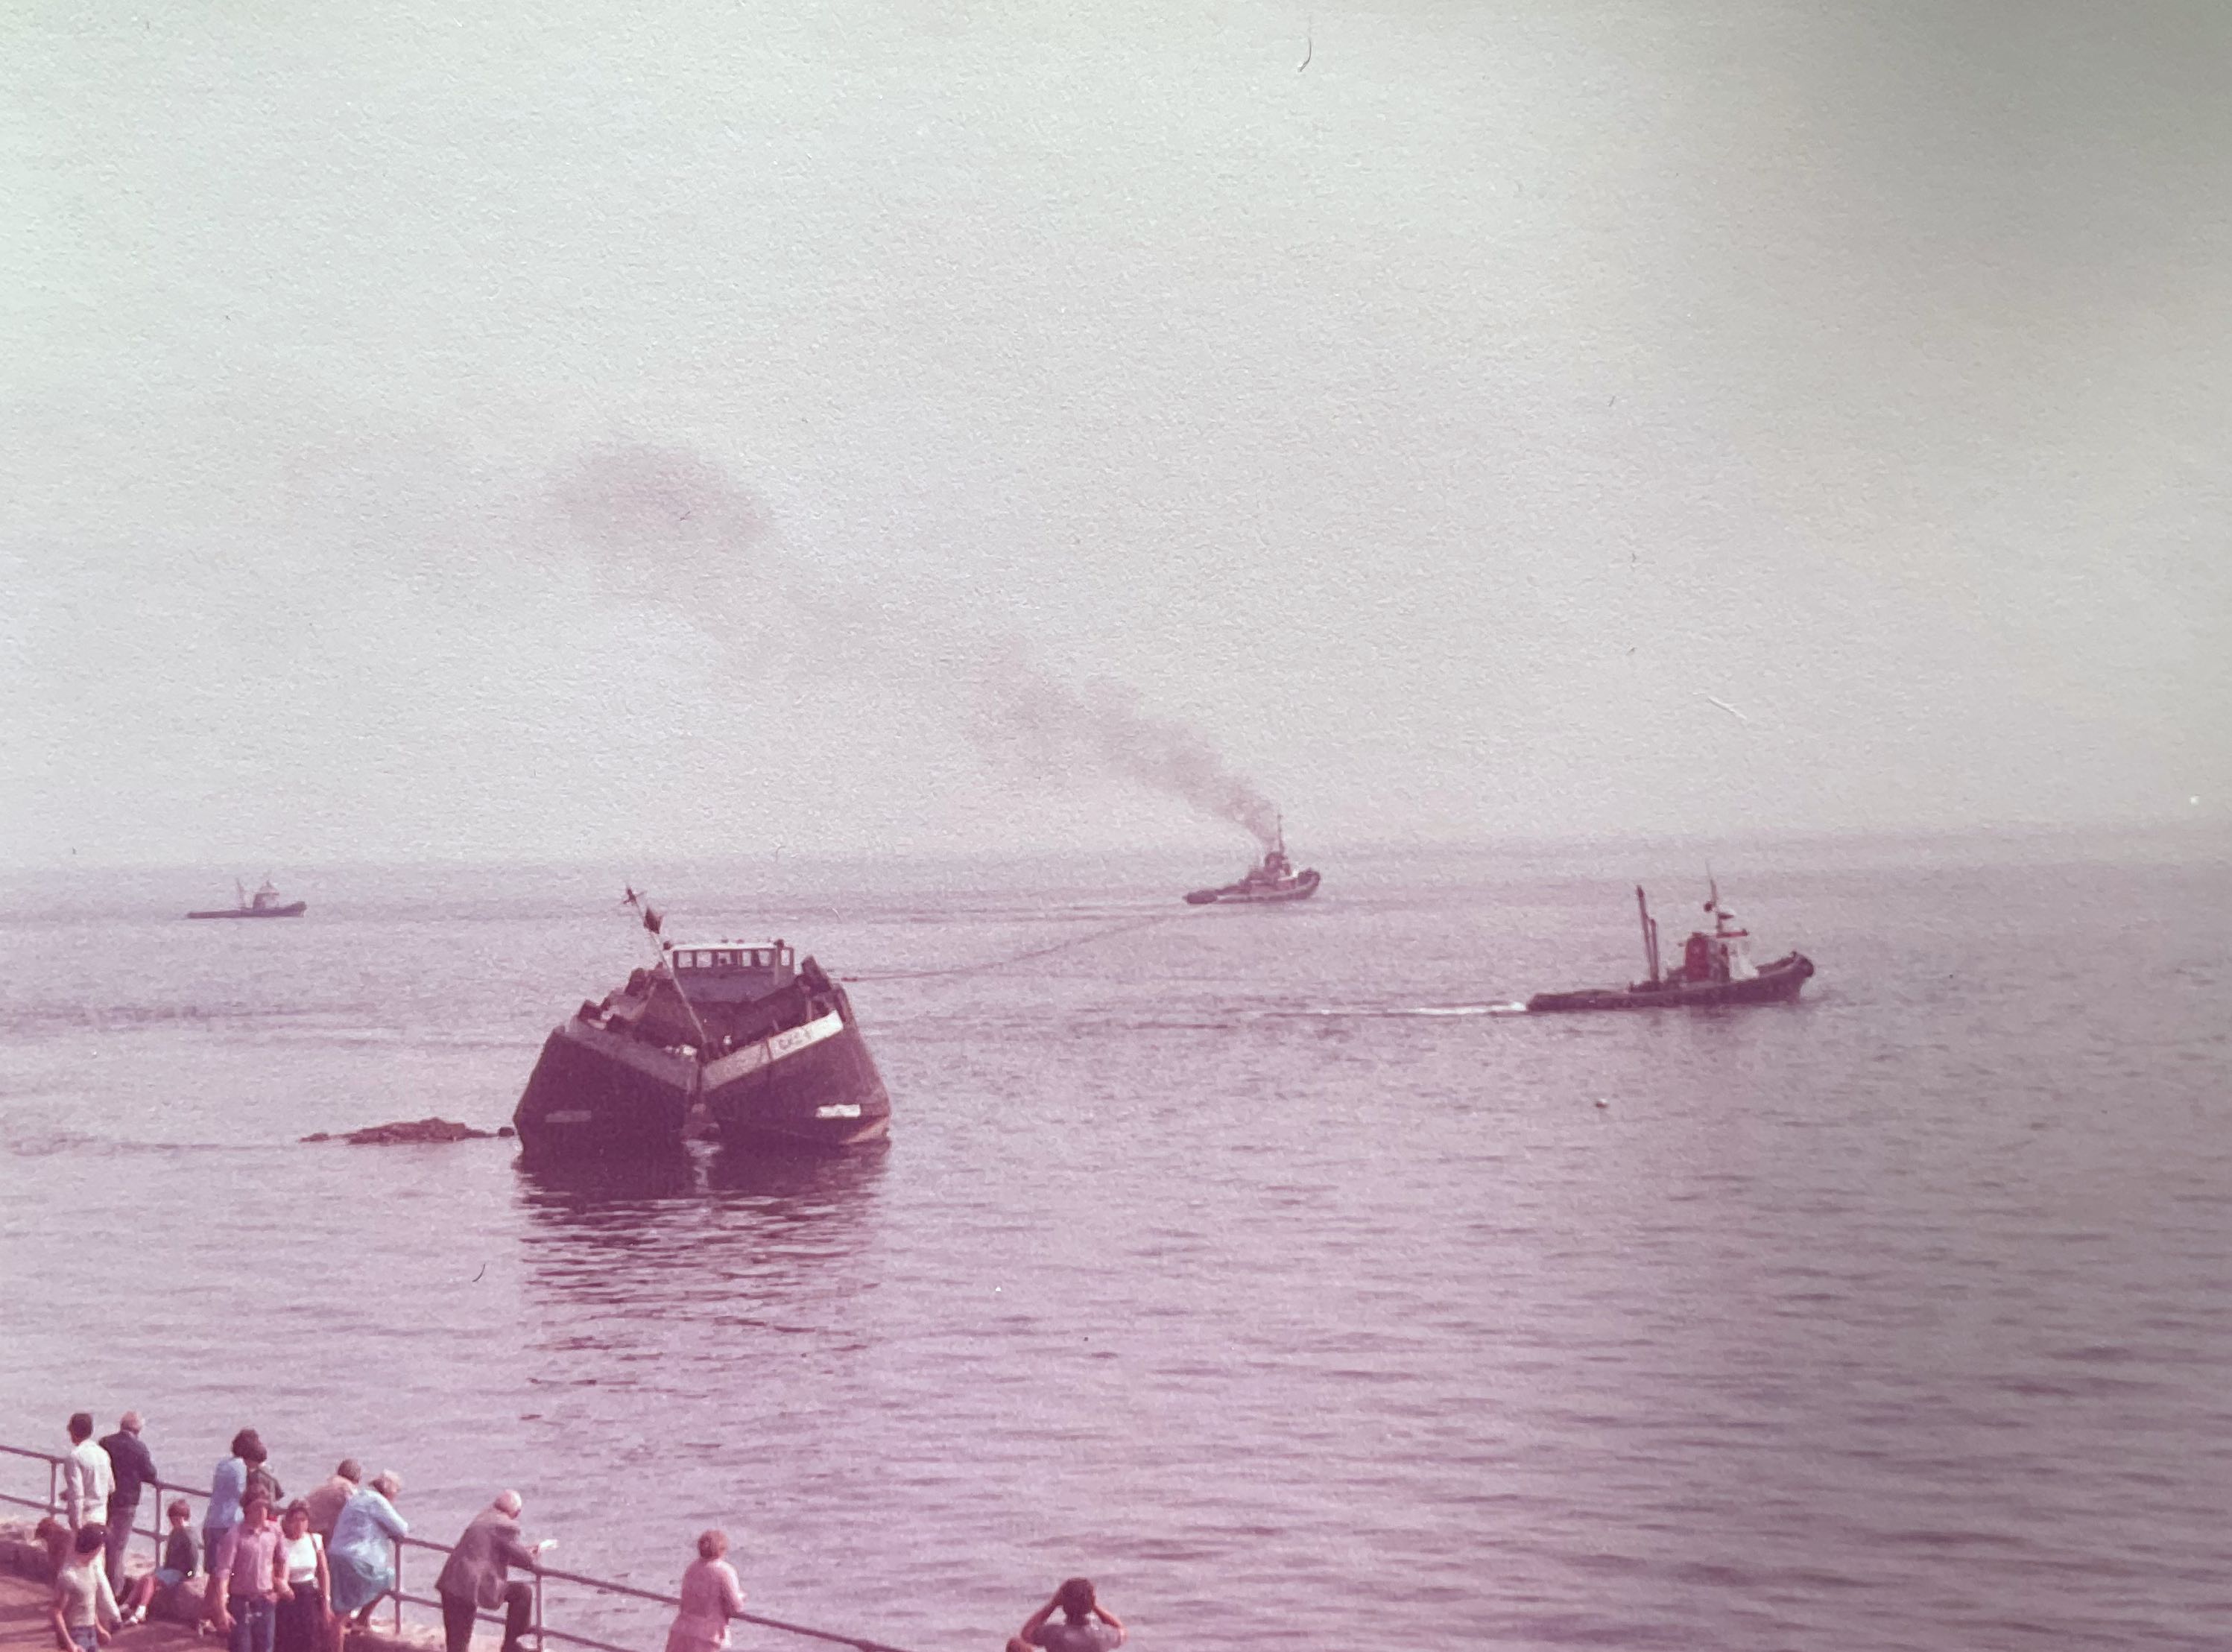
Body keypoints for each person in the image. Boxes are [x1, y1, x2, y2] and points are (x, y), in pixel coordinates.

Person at [434, 1492, 548, 1652]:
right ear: (517, 1512)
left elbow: (491, 1552)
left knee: (456, 1644)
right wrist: (537, 1559)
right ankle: (511, 1645)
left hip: (452, 1582)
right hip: (470, 1586)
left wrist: (526, 1552)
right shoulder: (506, 1525)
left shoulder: (482, 1518)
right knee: (523, 1593)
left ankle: (511, 1645)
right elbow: (524, 1559)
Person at [326, 1471, 407, 1631]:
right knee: (389, 1578)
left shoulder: (358, 1497)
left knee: (340, 1608)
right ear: (390, 1492)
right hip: (355, 1558)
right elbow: (402, 1528)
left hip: (336, 1554)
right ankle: (362, 1619)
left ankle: (335, 1637)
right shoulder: (377, 1501)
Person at [203, 1429, 262, 1635]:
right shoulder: (241, 1468)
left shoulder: (224, 1464)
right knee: (226, 1574)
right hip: (230, 1522)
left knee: (214, 1573)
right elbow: (243, 1495)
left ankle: (206, 1617)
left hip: (212, 1520)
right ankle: (221, 1618)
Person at [98, 1413, 159, 1595]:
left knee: (102, 1544)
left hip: (106, 1498)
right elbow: (150, 1474)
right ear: (138, 1430)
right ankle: (114, 1594)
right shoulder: (139, 1448)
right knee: (117, 1548)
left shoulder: (105, 1442)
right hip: (127, 1502)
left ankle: (100, 1589)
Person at [662, 1531, 746, 1652]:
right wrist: (740, 1596)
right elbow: (736, 1607)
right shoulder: (725, 1571)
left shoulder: (692, 1568)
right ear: (722, 1549)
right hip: (707, 1636)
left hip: (682, 1630)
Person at [226, 1496, 285, 1652]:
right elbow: (223, 1572)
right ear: (247, 1510)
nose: (262, 1512)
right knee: (241, 1647)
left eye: (265, 1508)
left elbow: (284, 1560)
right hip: (241, 1601)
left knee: (266, 1648)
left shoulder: (274, 1531)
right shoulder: (235, 1535)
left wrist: (281, 1588)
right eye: (258, 1508)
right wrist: (220, 1606)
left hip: (265, 1599)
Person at [50, 1524, 121, 1652]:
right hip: (75, 1632)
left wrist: (98, 1629)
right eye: (101, 1546)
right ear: (94, 1547)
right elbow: (56, 1612)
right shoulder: (69, 1575)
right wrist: (69, 1643)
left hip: (90, 1631)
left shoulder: (90, 1569)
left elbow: (89, 1603)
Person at [273, 1503, 329, 1652]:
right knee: (286, 1640)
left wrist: (326, 1602)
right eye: (295, 1520)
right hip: (287, 1595)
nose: (299, 1524)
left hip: (309, 1594)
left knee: (310, 1640)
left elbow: (323, 1573)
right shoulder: (280, 1542)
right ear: (288, 1521)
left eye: (303, 1520)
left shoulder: (314, 1540)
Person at [1017, 1578, 1125, 1651]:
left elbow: (1026, 1633)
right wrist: (1095, 1606)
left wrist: (1052, 1605)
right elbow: (1120, 1629)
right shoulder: (1102, 1635)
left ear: (1063, 1603)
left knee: (1015, 1644)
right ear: (1092, 1602)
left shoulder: (1054, 1634)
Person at [62, 1414, 115, 1534]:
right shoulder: (103, 1454)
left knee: (80, 1552)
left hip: (85, 1514)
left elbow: (77, 1494)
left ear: (73, 1431)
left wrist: (76, 1522)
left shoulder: (74, 1457)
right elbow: (111, 1487)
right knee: (99, 1552)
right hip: (101, 1514)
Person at [302, 1462, 361, 1544]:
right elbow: (358, 1511)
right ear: (357, 1479)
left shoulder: (326, 1484)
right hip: (322, 1533)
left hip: (306, 1528)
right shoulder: (347, 1489)